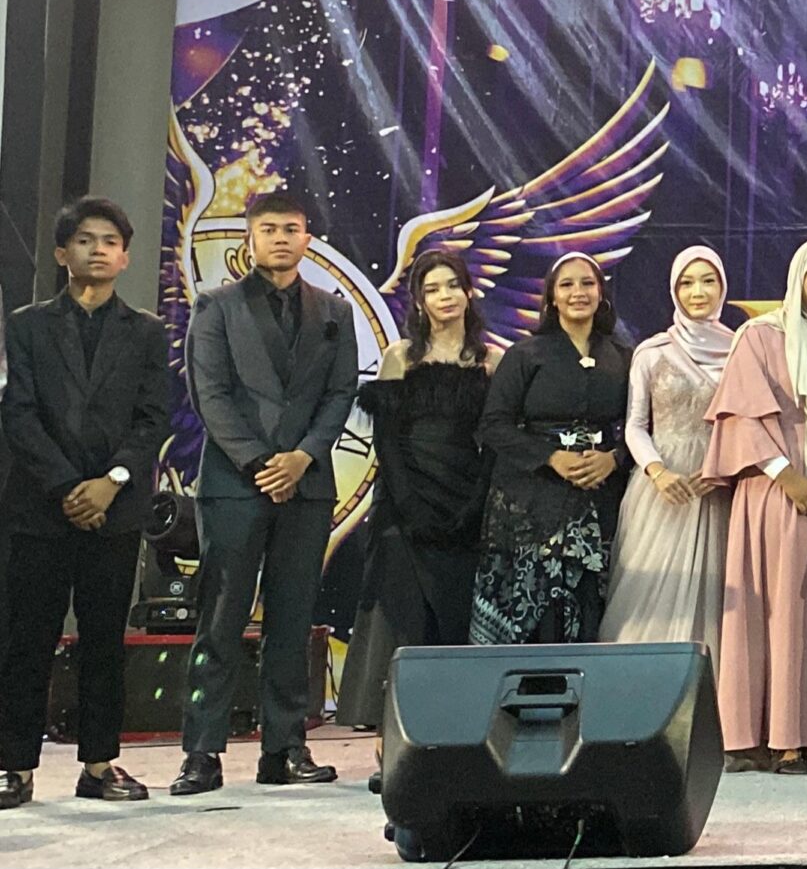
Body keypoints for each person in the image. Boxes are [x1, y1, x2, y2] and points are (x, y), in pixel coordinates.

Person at [174, 190, 360, 796]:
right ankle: (202, 752)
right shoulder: (216, 306)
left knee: (292, 618)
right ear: (250, 238)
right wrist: (261, 463)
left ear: (308, 238)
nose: (281, 238)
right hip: (234, 485)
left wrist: (303, 456)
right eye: (270, 228)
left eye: (292, 228)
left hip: (307, 485)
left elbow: (340, 393)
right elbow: (209, 394)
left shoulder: (334, 312)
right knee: (221, 618)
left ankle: (284, 747)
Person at [0, 198, 170, 808]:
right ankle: (13, 766)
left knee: (104, 640)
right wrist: (68, 487)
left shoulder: (147, 331)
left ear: (125, 257)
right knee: (27, 639)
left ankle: (99, 764)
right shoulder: (26, 325)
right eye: (84, 239)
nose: (97, 249)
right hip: (40, 507)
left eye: (109, 242)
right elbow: (18, 413)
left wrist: (111, 481)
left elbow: (153, 417)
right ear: (61, 253)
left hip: (115, 509)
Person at [706, 238, 807, 774]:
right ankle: (779, 739)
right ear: (798, 275)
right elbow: (742, 417)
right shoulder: (760, 335)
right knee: (776, 613)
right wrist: (788, 478)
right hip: (776, 492)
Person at [340, 250, 503, 734]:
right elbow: (386, 440)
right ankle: (390, 724)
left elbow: (496, 442)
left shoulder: (493, 361)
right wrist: (407, 502)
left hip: (466, 500)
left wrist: (477, 502)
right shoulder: (400, 357)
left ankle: (455, 719)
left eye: (452, 285)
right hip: (404, 499)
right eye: (432, 289)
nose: (444, 296)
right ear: (418, 301)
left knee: (456, 607)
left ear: (469, 292)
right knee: (401, 606)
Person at [471, 253, 631, 646]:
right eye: (567, 284)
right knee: (535, 615)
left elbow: (644, 425)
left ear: (602, 293)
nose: (578, 292)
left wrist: (614, 459)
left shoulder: (624, 356)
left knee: (591, 606)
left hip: (600, 500)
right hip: (531, 502)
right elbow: (493, 424)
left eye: (587, 283)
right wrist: (551, 457)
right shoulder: (526, 354)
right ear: (551, 298)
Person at [600, 247, 736, 650]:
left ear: (723, 288)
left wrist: (723, 466)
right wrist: (657, 472)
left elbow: (749, 422)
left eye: (708, 281)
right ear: (674, 291)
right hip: (662, 488)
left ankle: (713, 686)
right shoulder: (652, 351)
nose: (698, 292)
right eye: (687, 283)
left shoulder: (741, 350)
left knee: (718, 592)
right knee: (649, 595)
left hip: (719, 486)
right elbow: (635, 426)